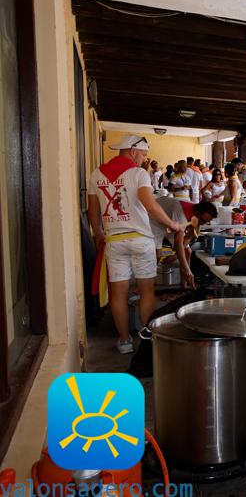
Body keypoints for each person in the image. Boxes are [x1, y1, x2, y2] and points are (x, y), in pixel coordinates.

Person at [88, 135, 183, 354]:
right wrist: (173, 224)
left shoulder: (96, 174)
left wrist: (98, 235)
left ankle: (124, 340)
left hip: (114, 241)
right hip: (140, 240)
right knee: (146, 291)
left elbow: (93, 211)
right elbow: (150, 206)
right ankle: (148, 339)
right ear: (132, 151)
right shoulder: (138, 174)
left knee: (118, 293)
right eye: (142, 155)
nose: (143, 160)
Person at [150, 198, 218, 288]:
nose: (203, 223)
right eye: (203, 221)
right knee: (157, 255)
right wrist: (186, 268)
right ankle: (146, 285)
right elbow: (178, 243)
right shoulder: (182, 213)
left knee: (187, 252)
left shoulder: (199, 215)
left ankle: (183, 288)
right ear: (197, 213)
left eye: (206, 222)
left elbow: (189, 237)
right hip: (155, 220)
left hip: (171, 221)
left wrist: (175, 256)